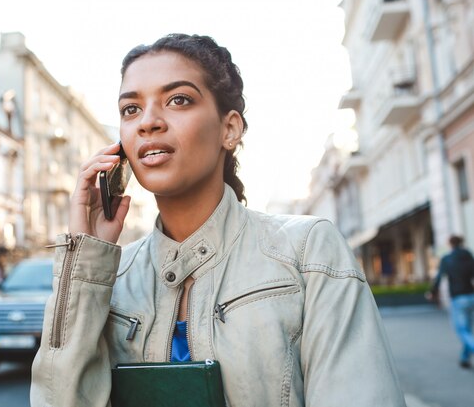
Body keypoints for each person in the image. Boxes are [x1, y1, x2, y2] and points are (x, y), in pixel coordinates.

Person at [30, 34, 406, 407]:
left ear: (229, 129)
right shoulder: (109, 275)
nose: (148, 122)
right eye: (131, 109)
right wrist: (86, 265)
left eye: (178, 100)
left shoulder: (307, 252)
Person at [429, 235, 474, 368]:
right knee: (467, 330)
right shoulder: (469, 256)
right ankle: (464, 359)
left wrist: (432, 293)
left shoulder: (447, 259)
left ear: (450, 244)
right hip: (471, 296)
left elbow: (439, 278)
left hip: (458, 298)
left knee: (462, 330)